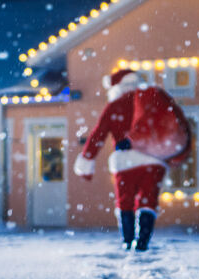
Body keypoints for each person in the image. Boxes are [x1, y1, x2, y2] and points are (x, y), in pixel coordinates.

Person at [74, 69, 191, 251]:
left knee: (125, 201)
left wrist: (87, 158)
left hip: (126, 162)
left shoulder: (115, 105)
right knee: (148, 200)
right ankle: (143, 241)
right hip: (154, 161)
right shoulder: (152, 101)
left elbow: (99, 133)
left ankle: (128, 241)